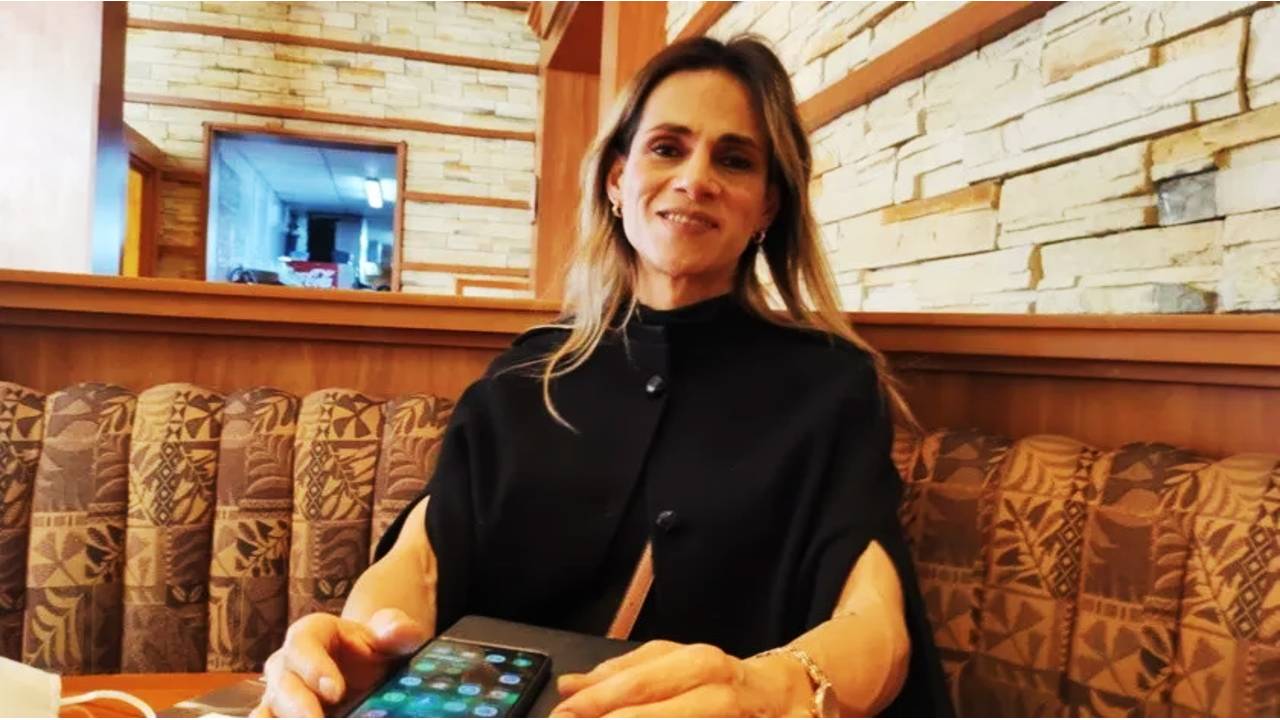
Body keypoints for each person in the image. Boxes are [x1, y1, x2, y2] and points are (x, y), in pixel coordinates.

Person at [252, 35, 950, 718]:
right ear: (617, 179)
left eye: (734, 160)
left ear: (767, 205)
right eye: (667, 148)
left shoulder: (829, 386)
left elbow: (876, 623)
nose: (695, 179)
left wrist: (776, 689)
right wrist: (366, 645)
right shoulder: (526, 374)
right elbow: (422, 558)